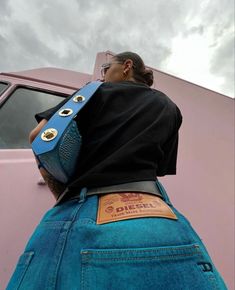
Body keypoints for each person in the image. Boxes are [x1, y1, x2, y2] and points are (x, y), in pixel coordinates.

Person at [6, 52, 227, 290]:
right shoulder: (170, 107)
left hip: (87, 208)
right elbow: (158, 167)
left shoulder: (92, 92)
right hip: (162, 215)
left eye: (106, 68)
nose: (103, 75)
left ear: (126, 66)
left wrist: (62, 194)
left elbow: (39, 137)